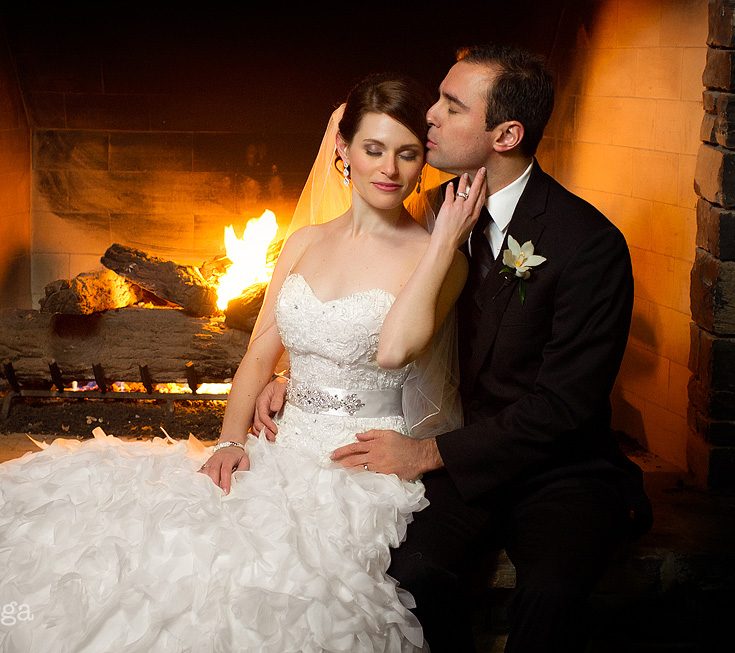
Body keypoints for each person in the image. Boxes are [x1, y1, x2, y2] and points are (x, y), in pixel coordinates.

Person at [0, 72, 485, 653]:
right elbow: (259, 352)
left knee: (261, 584)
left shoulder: (436, 256)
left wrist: (439, 248)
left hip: (361, 469)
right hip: (282, 450)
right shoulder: (304, 241)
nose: (389, 168)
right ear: (343, 151)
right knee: (144, 545)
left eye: (407, 153)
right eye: (373, 148)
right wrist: (229, 440)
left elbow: (393, 351)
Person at [254, 45, 653, 653]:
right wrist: (311, 378)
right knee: (405, 577)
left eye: (451, 106)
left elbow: (564, 409)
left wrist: (430, 453)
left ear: (506, 133)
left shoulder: (587, 245)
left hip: (556, 470)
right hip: (461, 463)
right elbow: (384, 319)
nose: (430, 118)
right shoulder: (435, 209)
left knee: (548, 595)